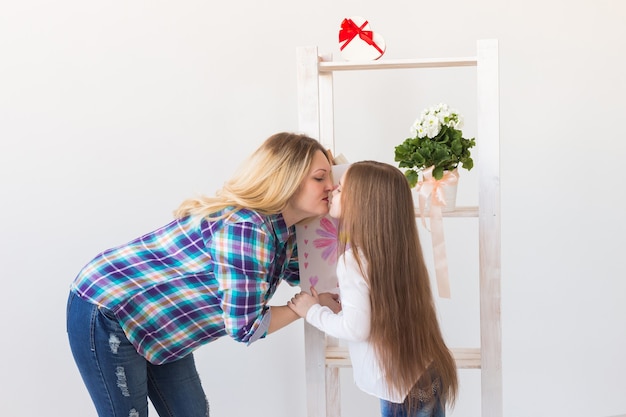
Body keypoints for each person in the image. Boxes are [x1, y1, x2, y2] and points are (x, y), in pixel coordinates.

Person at [66, 132, 336, 417]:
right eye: (320, 178)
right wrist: (303, 308)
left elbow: (307, 274)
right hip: (109, 306)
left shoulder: (284, 231)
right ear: (287, 179)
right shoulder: (247, 229)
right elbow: (246, 327)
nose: (331, 186)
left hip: (158, 322)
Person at [288, 160, 458, 417]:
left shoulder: (353, 260)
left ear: (363, 203)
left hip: (401, 390)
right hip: (427, 372)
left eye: (342, 188)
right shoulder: (398, 250)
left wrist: (312, 311)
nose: (332, 188)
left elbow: (355, 329)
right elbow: (385, 306)